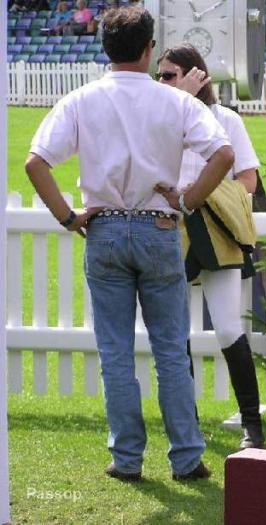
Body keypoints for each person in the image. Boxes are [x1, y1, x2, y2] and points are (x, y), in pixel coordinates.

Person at [25, 6, 234, 482]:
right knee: (170, 351)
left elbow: (37, 162)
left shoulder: (82, 99)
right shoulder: (176, 102)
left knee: (115, 352)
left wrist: (67, 216)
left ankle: (126, 458)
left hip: (105, 228)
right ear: (149, 49)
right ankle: (186, 457)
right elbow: (223, 154)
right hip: (159, 227)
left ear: (106, 48)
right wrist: (188, 200)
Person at [156, 44, 266, 450]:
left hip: (216, 230)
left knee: (228, 326)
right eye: (160, 75)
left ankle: (252, 427)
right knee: (174, 332)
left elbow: (248, 181)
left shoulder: (226, 120)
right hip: (168, 231)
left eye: (169, 75)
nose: (161, 82)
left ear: (196, 75)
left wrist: (198, 195)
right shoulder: (159, 120)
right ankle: (188, 424)